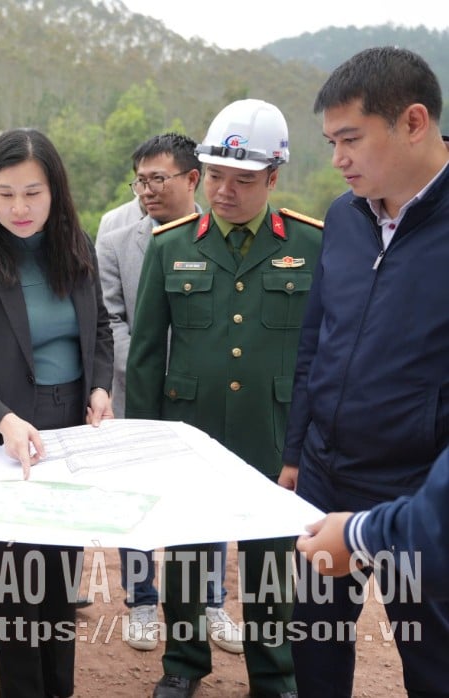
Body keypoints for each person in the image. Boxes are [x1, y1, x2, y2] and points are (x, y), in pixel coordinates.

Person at [126, 99, 322, 698]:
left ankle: (273, 673)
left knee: (272, 560)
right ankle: (183, 666)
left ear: (273, 177)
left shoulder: (313, 245)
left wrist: (305, 444)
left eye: (243, 180)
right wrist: (148, 445)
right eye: (215, 176)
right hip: (193, 433)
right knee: (187, 553)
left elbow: (322, 352)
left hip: (273, 430)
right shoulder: (170, 245)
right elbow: (144, 356)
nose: (225, 190)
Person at [280, 46, 449, 697]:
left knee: (429, 651)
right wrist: (297, 451)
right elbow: (314, 342)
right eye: (329, 142)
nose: (337, 159)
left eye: (349, 139)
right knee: (315, 638)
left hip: (419, 486)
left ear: (412, 122)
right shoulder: (343, 219)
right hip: (326, 473)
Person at [0, 127, 114, 697]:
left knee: (61, 572)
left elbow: (98, 330)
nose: (19, 208)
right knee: (17, 583)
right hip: (10, 433)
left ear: (55, 191)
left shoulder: (75, 245)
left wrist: (98, 387)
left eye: (33, 193)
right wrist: (4, 419)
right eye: (5, 193)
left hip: (71, 426)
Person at [96, 133, 242, 655]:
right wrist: (149, 371)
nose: (147, 190)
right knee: (136, 498)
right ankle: (140, 599)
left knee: (207, 500)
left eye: (159, 179)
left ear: (192, 179)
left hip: (203, 394)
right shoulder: (116, 235)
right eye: (140, 179)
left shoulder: (222, 232)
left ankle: (212, 601)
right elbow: (109, 316)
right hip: (135, 389)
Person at [296, 443, 449, 593]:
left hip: (410, 482)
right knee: (316, 608)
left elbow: (437, 531)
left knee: (417, 611)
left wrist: (357, 538)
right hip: (323, 473)